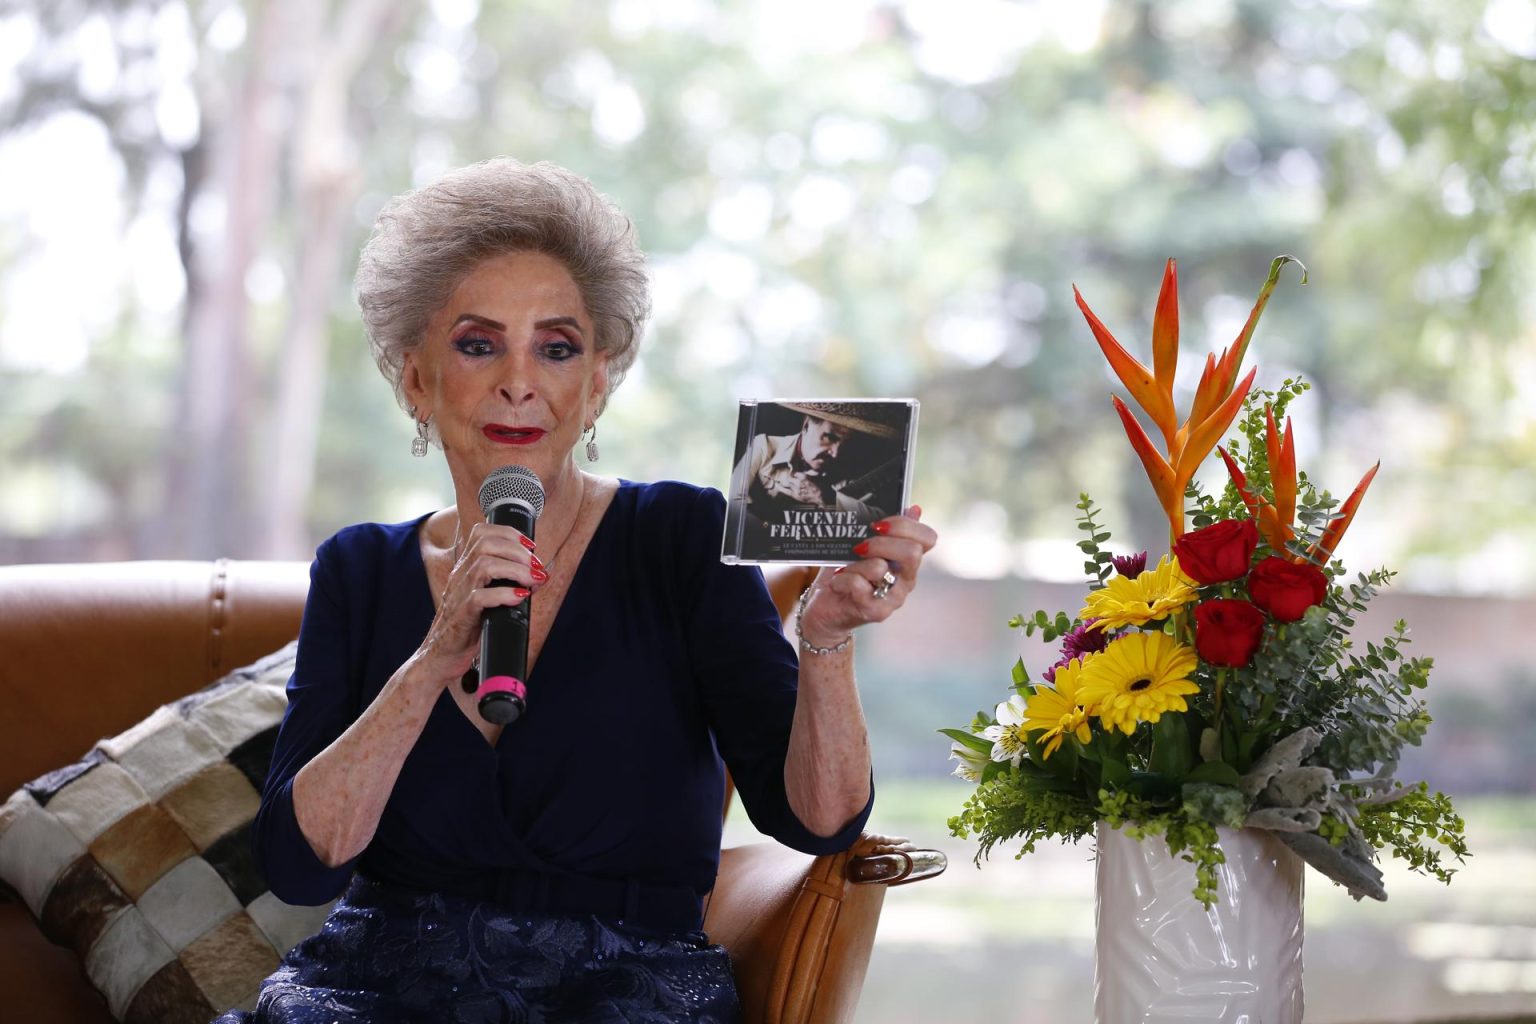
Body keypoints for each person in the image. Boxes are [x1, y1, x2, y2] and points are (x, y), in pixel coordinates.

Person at [215, 158, 937, 1024]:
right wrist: (433, 656)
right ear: (416, 379)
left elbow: (819, 824)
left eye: (556, 348)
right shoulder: (358, 570)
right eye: (479, 344)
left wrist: (825, 636)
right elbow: (302, 866)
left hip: (627, 993)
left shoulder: (681, 539)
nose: (520, 380)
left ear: (594, 385)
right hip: (375, 992)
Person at [727, 402, 905, 524]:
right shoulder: (764, 446)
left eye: (845, 444)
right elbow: (734, 504)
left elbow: (879, 520)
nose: (835, 453)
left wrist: (827, 498)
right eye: (829, 437)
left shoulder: (852, 473)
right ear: (806, 426)